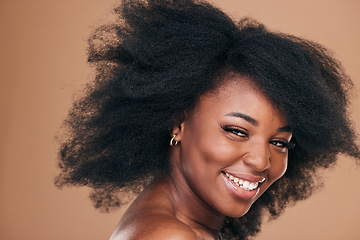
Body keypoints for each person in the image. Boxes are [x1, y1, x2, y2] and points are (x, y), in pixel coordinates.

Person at [55, 0, 360, 239]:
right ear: (178, 122)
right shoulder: (169, 236)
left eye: (280, 142)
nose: (261, 160)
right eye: (237, 131)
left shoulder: (193, 225)